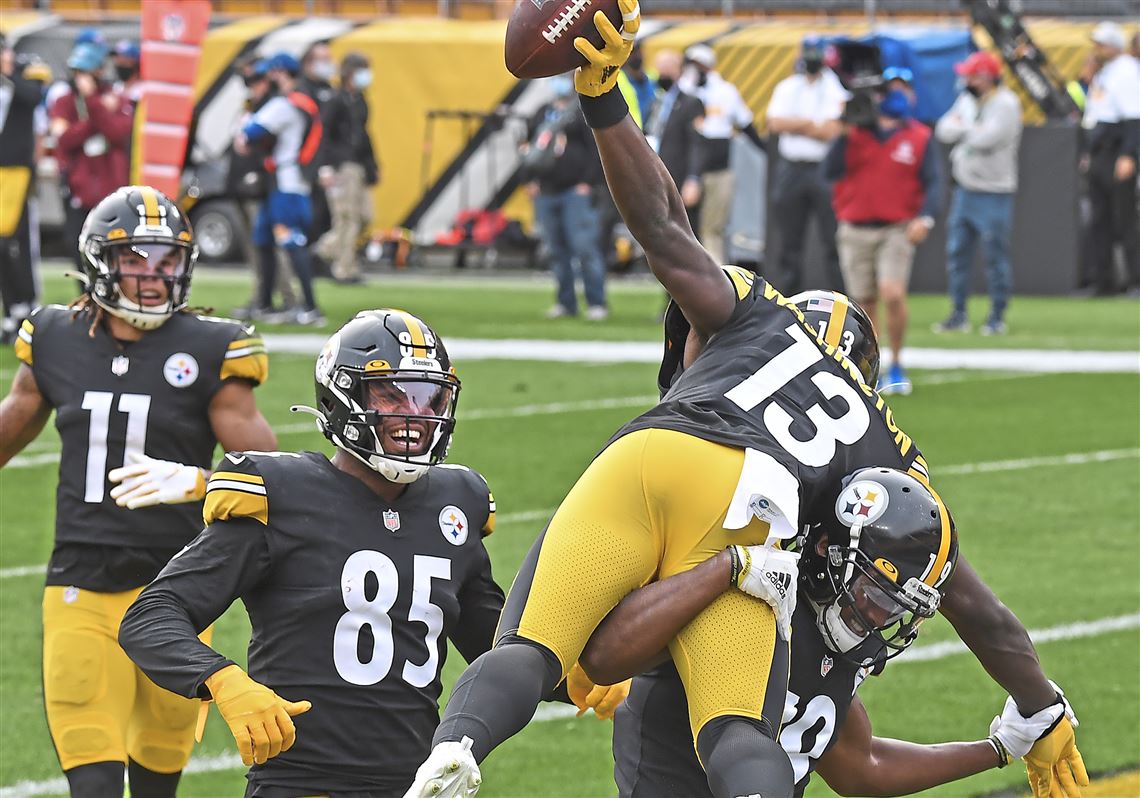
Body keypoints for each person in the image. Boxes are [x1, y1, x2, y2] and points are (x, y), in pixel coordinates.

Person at [582, 295, 1085, 798]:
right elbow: (975, 608)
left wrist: (1007, 741)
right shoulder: (851, 484)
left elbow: (857, 763)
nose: (874, 611)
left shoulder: (844, 560)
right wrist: (1039, 707)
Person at [118, 309, 627, 793]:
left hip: (414, 781)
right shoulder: (283, 493)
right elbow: (151, 614)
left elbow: (493, 642)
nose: (415, 416)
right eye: (392, 396)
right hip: (301, 783)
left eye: (429, 399)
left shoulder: (457, 503)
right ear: (343, 397)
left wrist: (569, 671)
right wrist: (224, 683)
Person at [0, 186, 276, 798]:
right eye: (135, 259)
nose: (153, 277)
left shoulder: (212, 346)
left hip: (177, 592)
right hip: (80, 580)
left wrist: (202, 481)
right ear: (101, 260)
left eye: (167, 260)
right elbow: (8, 429)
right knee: (93, 783)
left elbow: (274, 476)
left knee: (157, 779)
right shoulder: (53, 336)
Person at [823, 71, 943, 395]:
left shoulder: (918, 136)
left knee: (892, 293)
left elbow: (933, 181)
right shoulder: (856, 135)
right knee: (864, 303)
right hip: (855, 226)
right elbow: (830, 170)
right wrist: (844, 132)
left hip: (896, 227)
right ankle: (869, 366)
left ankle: (898, 360)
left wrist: (926, 218)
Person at [933, 51, 1023, 335]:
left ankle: (997, 315)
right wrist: (970, 128)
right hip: (965, 190)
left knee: (995, 256)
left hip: (994, 191)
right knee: (957, 253)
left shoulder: (1006, 103)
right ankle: (958, 313)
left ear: (985, 77)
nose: (965, 80)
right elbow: (943, 129)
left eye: (970, 75)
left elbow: (988, 139)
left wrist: (965, 128)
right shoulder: (967, 100)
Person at [235, 51, 325, 325]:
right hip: (283, 181)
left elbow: (250, 131)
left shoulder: (286, 104)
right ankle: (264, 303)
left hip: (287, 181)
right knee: (263, 240)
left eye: (270, 73)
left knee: (290, 241)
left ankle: (309, 307)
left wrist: (247, 127)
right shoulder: (300, 101)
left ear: (281, 73)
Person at [766, 37, 849, 293]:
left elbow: (832, 131)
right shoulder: (787, 86)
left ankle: (842, 298)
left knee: (833, 239)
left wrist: (797, 124)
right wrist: (812, 124)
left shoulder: (836, 88)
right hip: (791, 168)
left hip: (824, 169)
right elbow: (775, 123)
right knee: (789, 240)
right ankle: (787, 301)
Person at [524, 74, 609, 320]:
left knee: (584, 247)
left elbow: (596, 149)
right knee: (555, 249)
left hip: (574, 190)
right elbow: (529, 149)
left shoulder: (580, 111)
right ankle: (565, 302)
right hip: (546, 190)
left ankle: (596, 301)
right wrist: (529, 179)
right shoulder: (543, 112)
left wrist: (587, 182)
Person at [50, 41, 133, 277]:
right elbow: (63, 138)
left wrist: (94, 105)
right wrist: (95, 116)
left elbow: (117, 132)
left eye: (84, 73)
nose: (80, 78)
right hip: (79, 190)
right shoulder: (64, 102)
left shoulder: (117, 98)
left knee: (114, 248)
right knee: (78, 248)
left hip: (112, 191)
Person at [682, 43, 765, 264]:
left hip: (718, 170)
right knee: (686, 232)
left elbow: (746, 124)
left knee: (712, 230)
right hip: (687, 172)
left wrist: (768, 153)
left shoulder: (725, 91)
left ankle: (716, 285)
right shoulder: (684, 91)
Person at [1080, 21, 1140, 296]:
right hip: (1100, 150)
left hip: (1117, 149)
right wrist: (1088, 153)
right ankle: (1103, 281)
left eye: (1102, 44)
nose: (1098, 49)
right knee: (1100, 218)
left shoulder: (1128, 71)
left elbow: (1134, 118)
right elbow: (1095, 114)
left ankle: (1136, 281)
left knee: (1125, 219)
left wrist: (1129, 155)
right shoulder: (1105, 73)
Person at [0, 34, 50, 345]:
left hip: (16, 172)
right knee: (2, 245)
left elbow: (34, 97)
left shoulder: (24, 76)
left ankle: (28, 304)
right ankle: (12, 308)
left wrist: (8, 73)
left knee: (16, 243)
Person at [314, 52, 380, 284]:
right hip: (341, 165)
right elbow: (323, 136)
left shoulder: (360, 100)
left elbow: (364, 136)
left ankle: (324, 250)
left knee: (364, 217)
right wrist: (324, 167)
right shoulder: (335, 100)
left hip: (358, 166)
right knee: (346, 217)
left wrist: (373, 165)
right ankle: (345, 268)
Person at [644, 49, 705, 233]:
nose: (663, 74)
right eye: (660, 69)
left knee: (684, 233)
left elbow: (698, 143)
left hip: (679, 176)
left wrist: (694, 178)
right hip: (655, 177)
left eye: (667, 69)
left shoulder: (691, 103)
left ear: (678, 71)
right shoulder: (656, 102)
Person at [110, 39, 142, 104]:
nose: (119, 64)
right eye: (117, 61)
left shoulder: (143, 90)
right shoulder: (116, 88)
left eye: (123, 62)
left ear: (135, 62)